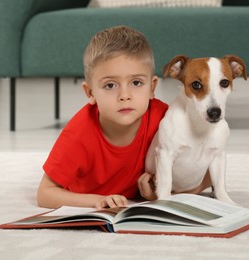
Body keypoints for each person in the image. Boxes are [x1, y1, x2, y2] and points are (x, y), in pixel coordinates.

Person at [37, 25, 168, 210]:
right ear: (90, 92)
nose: (124, 95)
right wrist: (97, 201)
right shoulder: (79, 133)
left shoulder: (164, 118)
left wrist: (157, 191)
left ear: (152, 87)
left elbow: (204, 165)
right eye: (110, 85)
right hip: (87, 195)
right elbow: (45, 193)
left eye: (136, 82)